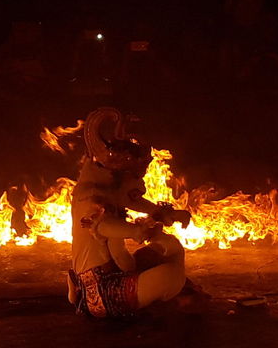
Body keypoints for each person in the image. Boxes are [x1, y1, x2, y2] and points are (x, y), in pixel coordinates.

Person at [66, 107, 195, 318]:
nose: (141, 184)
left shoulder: (110, 189)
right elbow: (104, 226)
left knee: (170, 246)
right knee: (171, 276)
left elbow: (131, 199)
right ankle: (151, 296)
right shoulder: (89, 197)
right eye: (135, 177)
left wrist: (167, 214)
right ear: (117, 173)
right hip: (101, 290)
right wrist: (134, 231)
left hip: (119, 270)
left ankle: (152, 292)